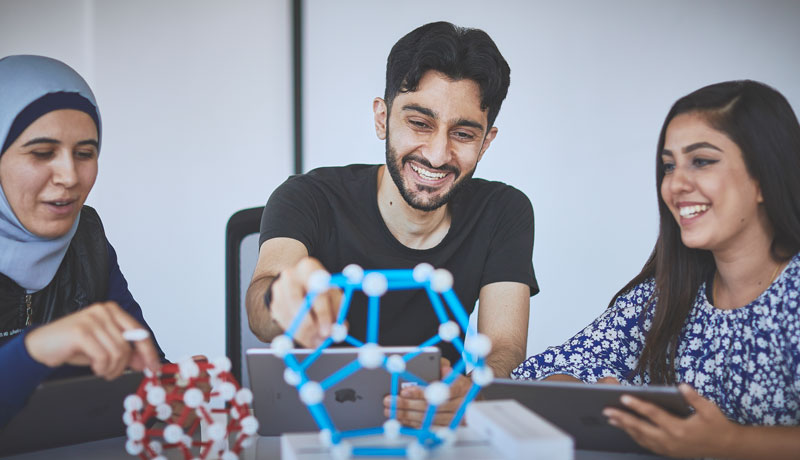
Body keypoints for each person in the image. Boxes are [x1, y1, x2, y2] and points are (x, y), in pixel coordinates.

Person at [246, 21, 537, 427]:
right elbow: (261, 305)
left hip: (433, 432)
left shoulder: (504, 210)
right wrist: (283, 297)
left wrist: (478, 388)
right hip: (318, 428)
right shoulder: (307, 197)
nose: (437, 155)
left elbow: (504, 346)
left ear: (486, 142)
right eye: (419, 123)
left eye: (464, 134)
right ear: (382, 119)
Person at [513, 80, 800, 458]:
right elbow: (536, 377)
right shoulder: (664, 295)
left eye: (702, 161)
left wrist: (730, 443)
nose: (675, 185)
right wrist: (572, 392)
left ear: (765, 176)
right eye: (668, 166)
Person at [0, 55, 164, 427]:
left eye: (85, 153)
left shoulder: (84, 236)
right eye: (42, 153)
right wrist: (35, 351)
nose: (70, 176)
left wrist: (176, 391)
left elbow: (146, 372)